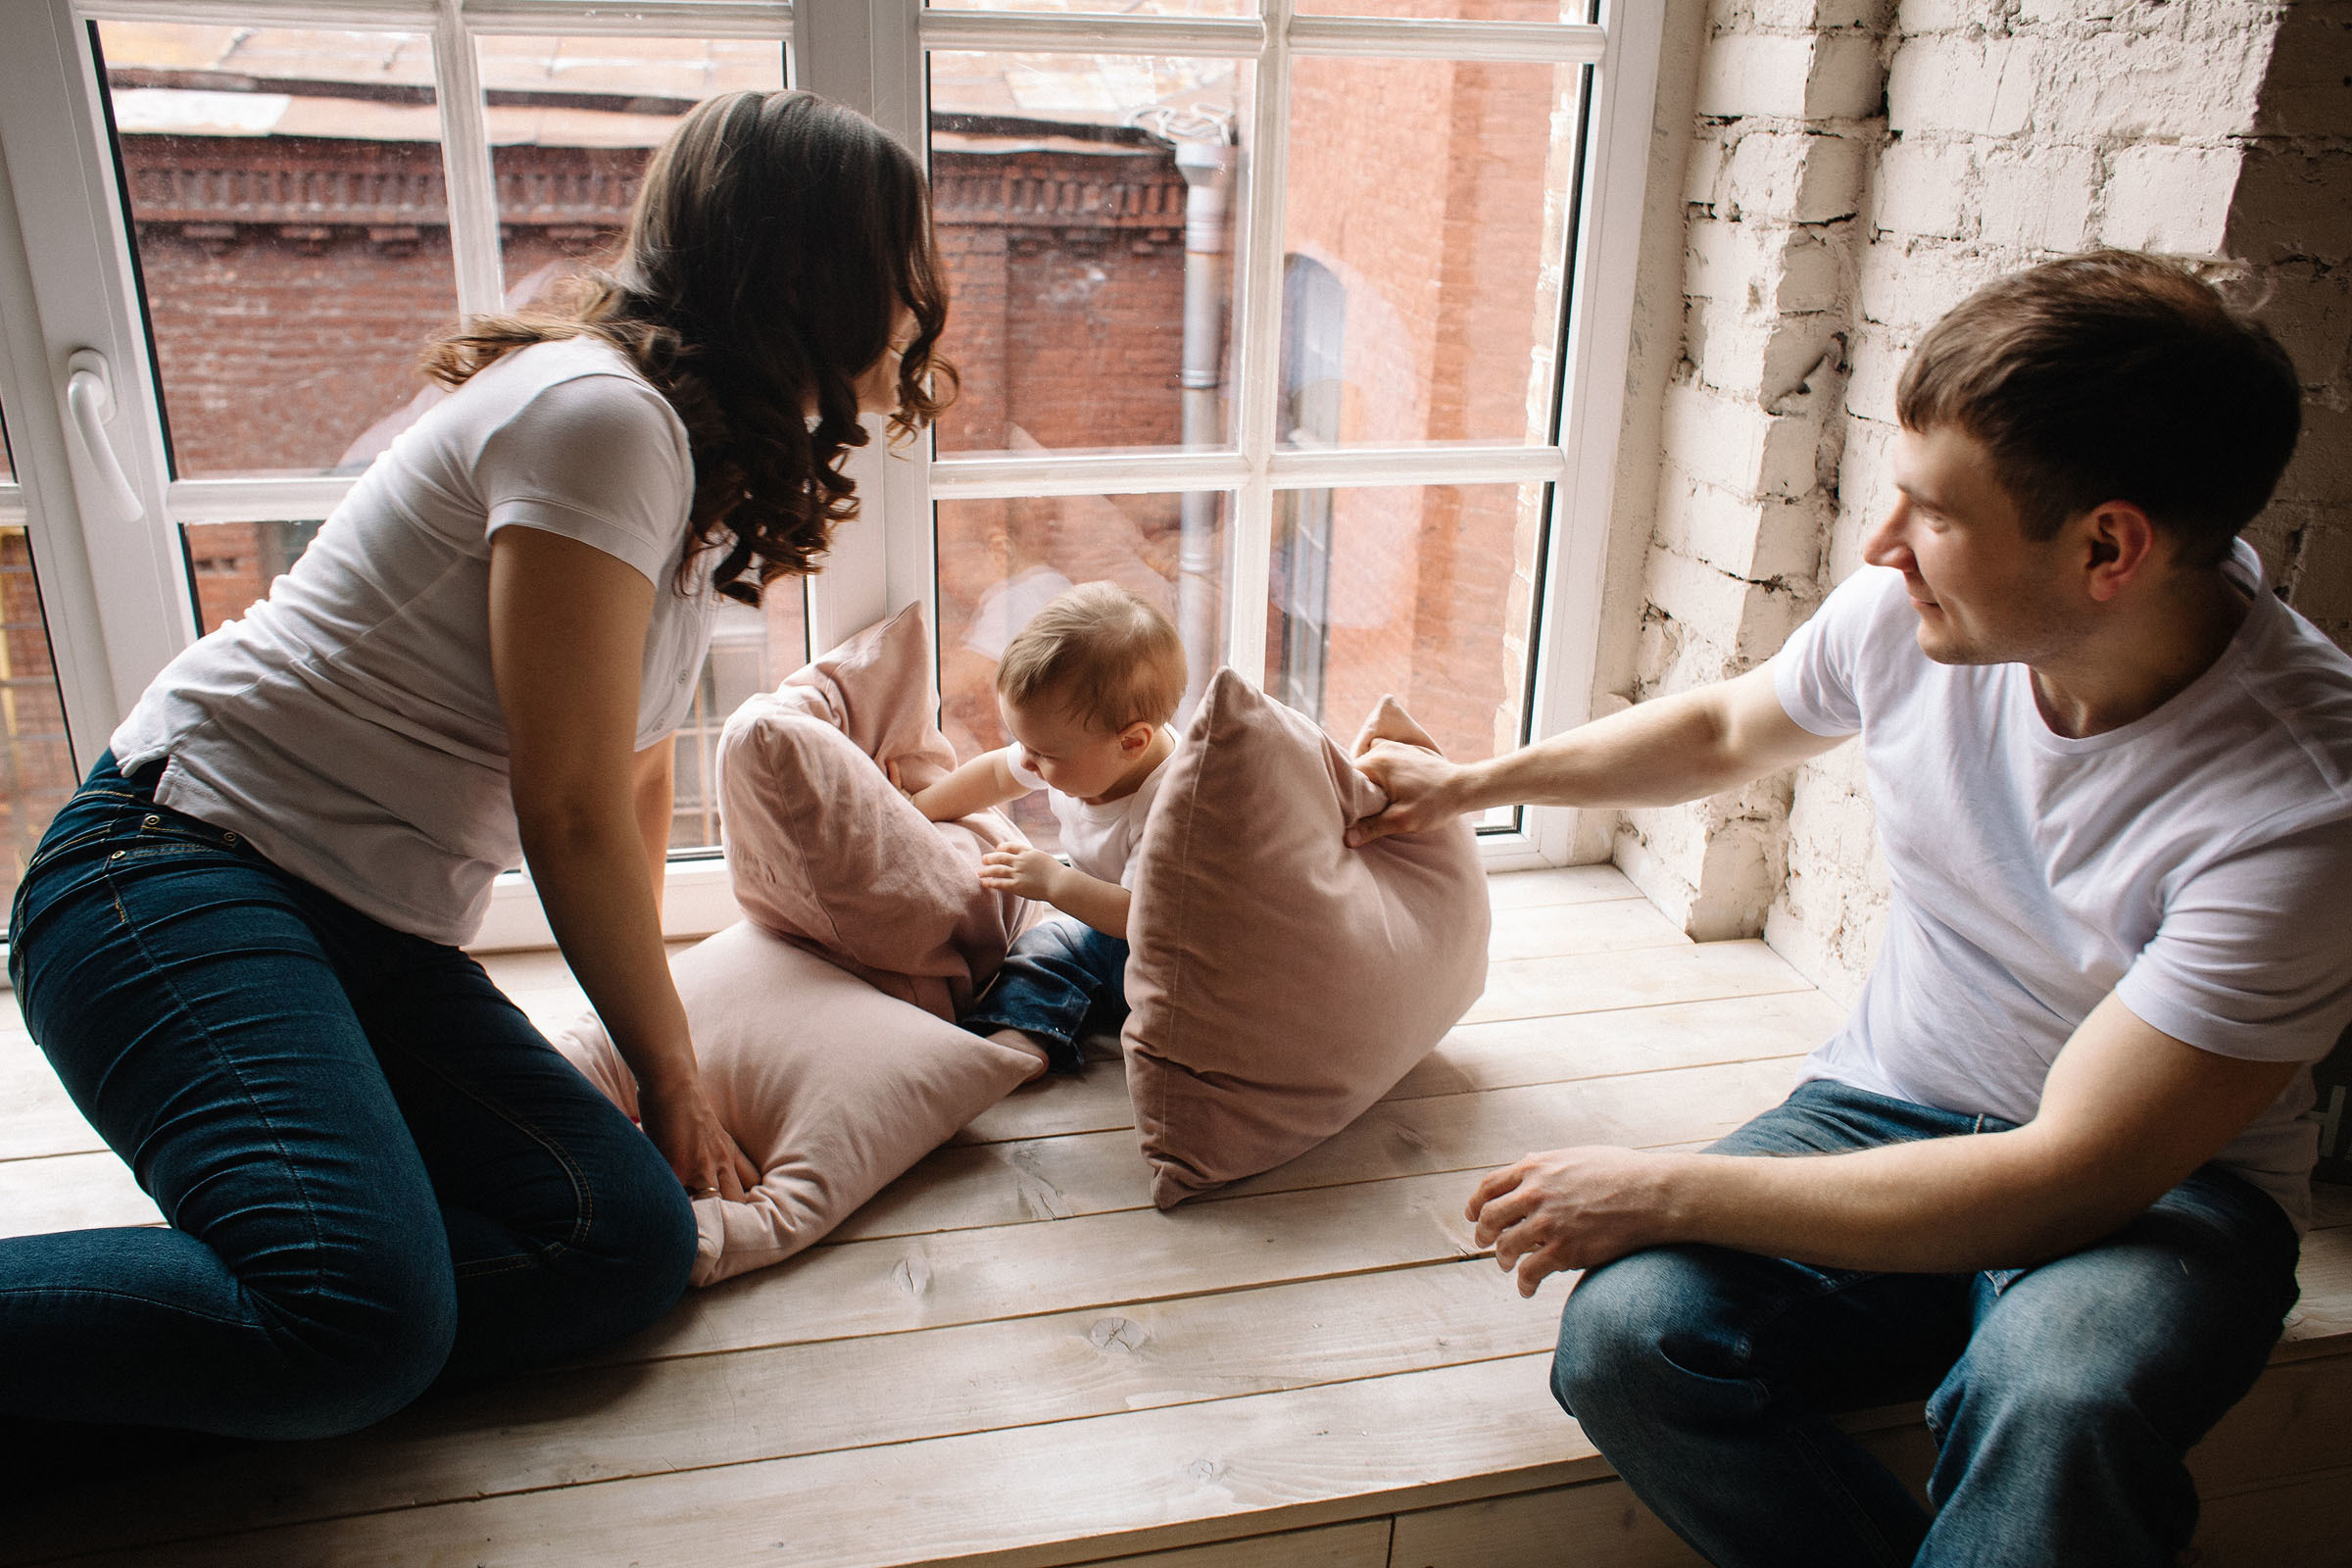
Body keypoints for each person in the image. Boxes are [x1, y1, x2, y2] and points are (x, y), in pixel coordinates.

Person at [1349, 251, 2352, 1566]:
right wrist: (1473, 781)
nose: (1882, 548)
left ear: (2109, 546)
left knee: (2056, 1401)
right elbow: (1720, 728)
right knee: (1631, 1339)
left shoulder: (2303, 803)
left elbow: (2059, 1184)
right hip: (1885, 1107)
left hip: (2166, 1200)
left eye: (1933, 513)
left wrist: (1662, 1185)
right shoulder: (1914, 614)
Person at [1, 89, 954, 1450]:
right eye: (906, 257)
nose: (927, 302)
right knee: (357, 1321)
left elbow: (624, 795)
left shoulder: (681, 461)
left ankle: (236, 1335)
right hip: (174, 871)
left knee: (620, 1248)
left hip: (371, 929)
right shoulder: (603, 419)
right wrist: (673, 1081)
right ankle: (308, 1317)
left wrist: (653, 1058)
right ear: (814, 270)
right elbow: (564, 812)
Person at [910, 582, 1186, 1077]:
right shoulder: (1079, 746)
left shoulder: (1173, 807)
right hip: (1106, 933)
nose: (1029, 763)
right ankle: (1022, 1039)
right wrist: (916, 808)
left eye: (1045, 755)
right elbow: (997, 773)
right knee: (1040, 950)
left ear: (1132, 742)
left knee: (1088, 955)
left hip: (1173, 958)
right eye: (1024, 744)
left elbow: (1146, 918)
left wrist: (1055, 883)